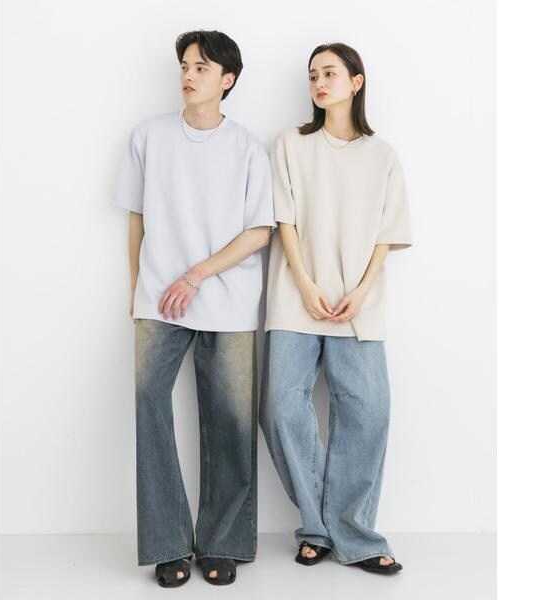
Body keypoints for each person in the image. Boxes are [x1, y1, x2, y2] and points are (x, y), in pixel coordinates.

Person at [111, 30, 275, 587]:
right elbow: (136, 217)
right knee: (148, 402)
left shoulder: (248, 148)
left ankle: (223, 542)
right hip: (159, 299)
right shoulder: (148, 137)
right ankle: (168, 544)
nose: (188, 74)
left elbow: (259, 232)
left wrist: (198, 274)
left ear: (227, 80)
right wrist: (137, 288)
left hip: (228, 301)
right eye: (185, 65)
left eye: (202, 67)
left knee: (230, 418)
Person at [260, 42, 412, 575]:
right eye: (313, 76)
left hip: (357, 304)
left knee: (369, 412)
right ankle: (320, 527)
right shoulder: (291, 144)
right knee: (280, 409)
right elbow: (285, 221)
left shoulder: (382, 155)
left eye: (329, 73)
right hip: (295, 298)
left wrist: (363, 290)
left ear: (356, 81)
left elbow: (388, 235)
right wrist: (305, 284)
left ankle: (352, 534)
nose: (319, 83)